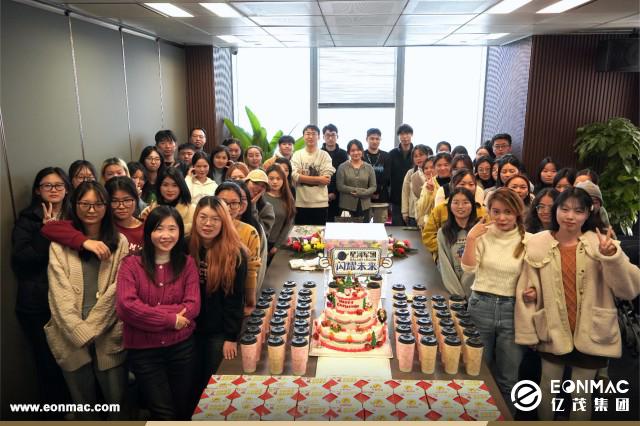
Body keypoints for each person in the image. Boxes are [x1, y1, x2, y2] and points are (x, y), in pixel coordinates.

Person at [515, 187, 640, 421]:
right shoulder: (538, 244)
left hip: (593, 330)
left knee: (581, 392)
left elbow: (628, 290)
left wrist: (612, 258)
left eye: (578, 211)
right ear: (556, 210)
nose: (570, 216)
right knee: (547, 387)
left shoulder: (601, 243)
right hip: (552, 328)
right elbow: (526, 289)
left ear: (588, 213)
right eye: (564, 209)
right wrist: (529, 329)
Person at [45, 181, 129, 420]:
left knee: (118, 403)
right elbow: (58, 293)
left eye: (98, 204)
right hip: (69, 333)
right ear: (75, 205)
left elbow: (117, 290)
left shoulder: (119, 242)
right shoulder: (59, 244)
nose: (91, 210)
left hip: (108, 332)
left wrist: (91, 329)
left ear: (107, 206)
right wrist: (78, 331)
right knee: (83, 406)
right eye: (85, 204)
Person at [117, 206, 200, 420]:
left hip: (182, 349)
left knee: (185, 409)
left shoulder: (187, 264)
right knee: (163, 414)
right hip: (145, 353)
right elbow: (126, 307)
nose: (166, 235)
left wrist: (147, 313)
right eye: (159, 229)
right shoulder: (130, 264)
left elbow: (192, 306)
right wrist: (170, 319)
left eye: (172, 229)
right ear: (149, 232)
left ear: (180, 232)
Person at [461, 188, 529, 415]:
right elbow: (468, 269)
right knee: (477, 372)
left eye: (508, 212)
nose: (501, 218)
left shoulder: (527, 239)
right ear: (488, 211)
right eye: (496, 211)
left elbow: (534, 278)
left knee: (508, 379)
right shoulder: (483, 234)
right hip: (481, 306)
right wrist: (471, 238)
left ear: (518, 212)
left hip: (513, 310)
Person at [11, 167, 72, 418]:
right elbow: (22, 257)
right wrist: (46, 232)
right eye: (47, 185)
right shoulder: (28, 218)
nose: (54, 189)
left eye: (59, 185)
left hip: (72, 298)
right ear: (38, 190)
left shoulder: (76, 215)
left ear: (67, 189)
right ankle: (61, 414)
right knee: (49, 364)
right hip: (39, 302)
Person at [188, 197, 248, 403]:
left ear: (224, 222)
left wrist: (231, 337)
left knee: (213, 385)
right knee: (190, 382)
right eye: (203, 217)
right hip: (187, 330)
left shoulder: (235, 253)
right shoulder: (185, 246)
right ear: (195, 219)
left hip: (217, 332)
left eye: (215, 219)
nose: (208, 224)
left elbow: (235, 299)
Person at [43, 176, 146, 255]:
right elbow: (49, 228)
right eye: (114, 201)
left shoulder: (148, 227)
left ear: (136, 199)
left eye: (127, 200)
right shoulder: (100, 225)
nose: (121, 206)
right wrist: (84, 241)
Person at [215, 182, 260, 316]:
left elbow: (252, 270)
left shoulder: (250, 232)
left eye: (234, 203)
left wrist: (250, 303)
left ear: (240, 206)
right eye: (223, 202)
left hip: (236, 298)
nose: (228, 208)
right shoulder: (207, 229)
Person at [422, 169, 485, 261]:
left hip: (475, 258)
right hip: (445, 258)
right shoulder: (440, 209)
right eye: (462, 184)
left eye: (471, 184)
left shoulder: (482, 211)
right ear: (453, 186)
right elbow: (428, 236)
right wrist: (446, 249)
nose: (467, 187)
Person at [437, 187, 478, 298]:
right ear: (450, 206)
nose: (460, 206)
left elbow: (478, 265)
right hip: (453, 292)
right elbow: (445, 266)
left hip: (475, 293)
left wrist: (467, 291)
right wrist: (457, 294)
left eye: (465, 202)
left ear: (472, 205)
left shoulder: (479, 230)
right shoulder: (443, 233)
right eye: (456, 202)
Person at [291, 124, 335, 226]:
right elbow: (295, 176)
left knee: (319, 234)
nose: (311, 137)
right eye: (308, 134)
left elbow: (326, 178)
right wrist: (319, 179)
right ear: (303, 137)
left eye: (314, 134)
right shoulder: (297, 155)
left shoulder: (324, 155)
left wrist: (302, 177)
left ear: (319, 137)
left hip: (320, 203)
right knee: (300, 234)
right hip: (301, 203)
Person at [235, 180, 269, 293]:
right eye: (232, 200)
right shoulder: (216, 226)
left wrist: (252, 294)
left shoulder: (255, 228)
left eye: (243, 199)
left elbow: (259, 267)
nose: (238, 203)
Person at [142, 167, 195, 235]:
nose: (170, 190)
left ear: (181, 187)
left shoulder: (192, 211)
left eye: (175, 185)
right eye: (165, 185)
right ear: (159, 186)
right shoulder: (149, 211)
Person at [336, 139, 377, 223]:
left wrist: (361, 193)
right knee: (346, 230)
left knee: (363, 230)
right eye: (352, 150)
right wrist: (356, 190)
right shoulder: (342, 167)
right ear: (348, 152)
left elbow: (373, 187)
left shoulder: (369, 167)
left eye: (358, 150)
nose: (356, 153)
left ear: (362, 150)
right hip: (346, 205)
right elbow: (340, 186)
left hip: (364, 205)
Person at [264, 164, 296, 260]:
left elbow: (288, 224)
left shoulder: (288, 198)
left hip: (275, 243)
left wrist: (276, 246)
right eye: (271, 178)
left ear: (284, 180)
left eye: (278, 178)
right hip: (260, 241)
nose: (275, 182)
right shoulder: (261, 196)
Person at [321, 124, 349, 224]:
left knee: (336, 224)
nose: (330, 138)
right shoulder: (319, 153)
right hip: (321, 194)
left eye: (333, 135)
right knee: (322, 224)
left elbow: (345, 175)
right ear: (323, 137)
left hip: (339, 195)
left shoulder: (343, 154)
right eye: (327, 135)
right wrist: (325, 193)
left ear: (337, 136)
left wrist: (335, 193)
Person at [362, 128, 391, 224]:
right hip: (365, 198)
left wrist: (377, 190)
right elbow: (361, 176)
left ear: (380, 140)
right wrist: (370, 191)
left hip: (382, 197)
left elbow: (386, 176)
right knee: (363, 227)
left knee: (380, 227)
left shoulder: (386, 156)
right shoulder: (362, 156)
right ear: (367, 139)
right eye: (372, 138)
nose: (375, 141)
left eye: (377, 139)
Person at [389, 124, 415, 225]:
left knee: (413, 228)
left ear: (411, 134)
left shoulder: (416, 153)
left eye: (407, 134)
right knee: (397, 227)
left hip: (413, 196)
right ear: (398, 136)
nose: (404, 137)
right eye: (401, 134)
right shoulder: (392, 154)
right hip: (396, 197)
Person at [402, 144, 430, 226]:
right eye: (415, 156)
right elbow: (405, 192)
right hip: (413, 213)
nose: (418, 158)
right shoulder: (410, 173)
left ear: (427, 155)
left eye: (421, 155)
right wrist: (405, 212)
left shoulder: (433, 172)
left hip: (429, 212)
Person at [244, 169, 275, 241]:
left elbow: (264, 233)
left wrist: (252, 207)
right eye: (255, 183)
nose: (258, 187)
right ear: (246, 183)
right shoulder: (236, 201)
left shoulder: (267, 208)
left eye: (263, 186)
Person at [414, 155, 436, 229]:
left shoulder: (442, 185)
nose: (429, 170)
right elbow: (422, 209)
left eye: (432, 167)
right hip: (426, 225)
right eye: (426, 168)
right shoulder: (425, 185)